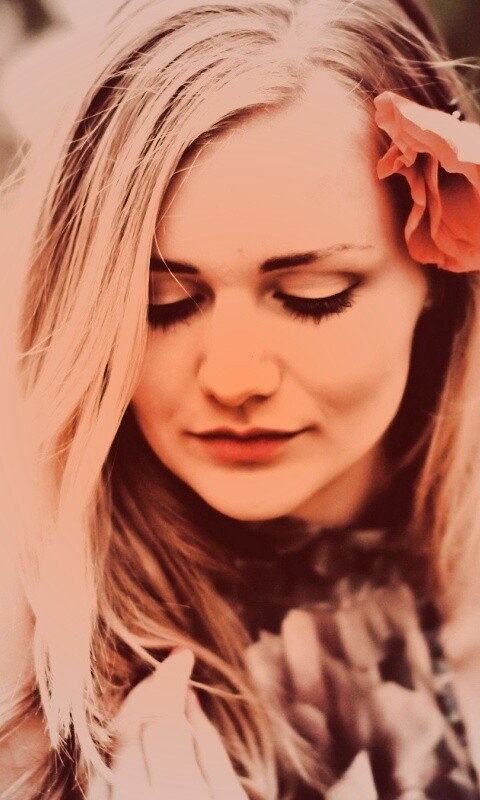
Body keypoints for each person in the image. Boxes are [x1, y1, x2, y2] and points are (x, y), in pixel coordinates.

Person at [1, 0, 480, 797]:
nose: (232, 379)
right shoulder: (26, 652)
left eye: (313, 295)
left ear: (438, 277)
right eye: (162, 303)